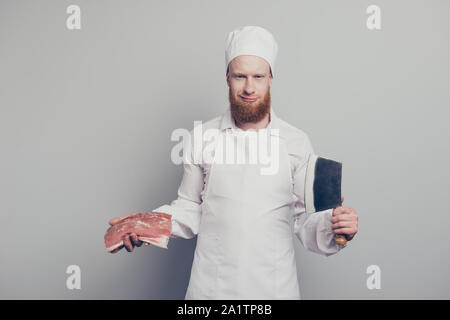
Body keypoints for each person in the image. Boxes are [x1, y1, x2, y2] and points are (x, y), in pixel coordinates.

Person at [107, 26, 358, 299]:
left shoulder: (296, 142)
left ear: (271, 78)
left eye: (258, 77)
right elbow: (191, 208)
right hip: (211, 290)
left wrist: (334, 226)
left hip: (274, 289)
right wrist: (145, 225)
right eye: (240, 76)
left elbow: (305, 220)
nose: (249, 88)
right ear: (227, 78)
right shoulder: (201, 137)